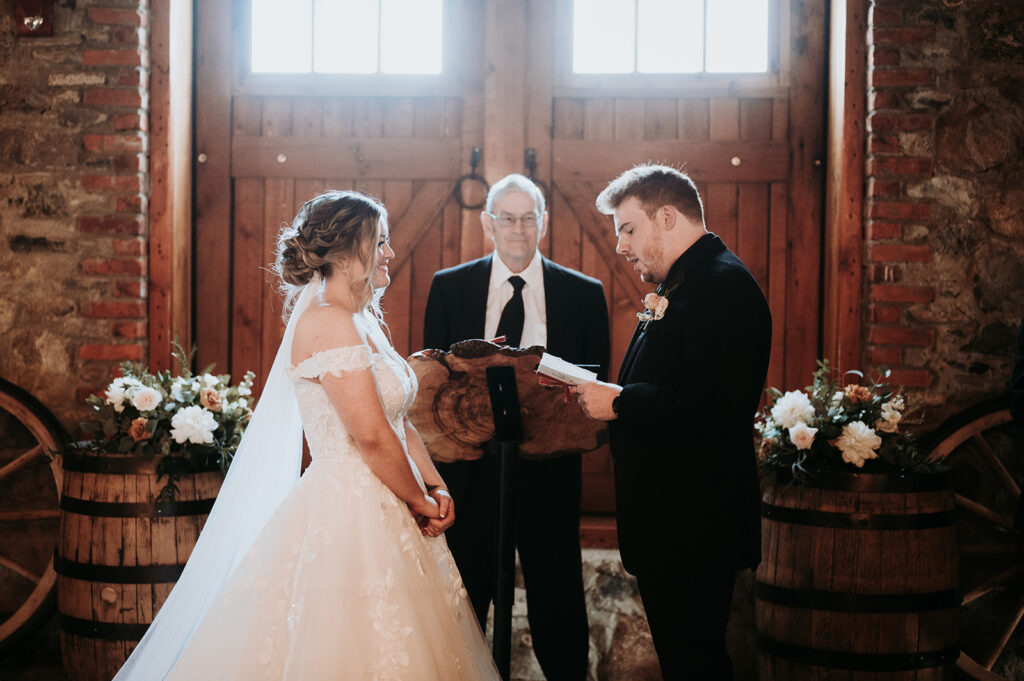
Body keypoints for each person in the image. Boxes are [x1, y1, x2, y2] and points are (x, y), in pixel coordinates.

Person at [114, 191, 500, 681]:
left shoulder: (361, 317)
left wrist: (435, 485)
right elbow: (370, 437)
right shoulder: (327, 320)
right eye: (379, 242)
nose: (389, 253)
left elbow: (398, 420)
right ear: (343, 253)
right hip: (350, 510)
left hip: (392, 500)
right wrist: (422, 503)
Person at [573, 165, 772, 680]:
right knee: (686, 662)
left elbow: (717, 404)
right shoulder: (687, 282)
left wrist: (618, 404)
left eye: (628, 229)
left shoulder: (722, 285)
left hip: (695, 519)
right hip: (673, 520)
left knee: (697, 664)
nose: (621, 246)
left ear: (666, 217)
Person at [423, 174, 609, 681]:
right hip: (472, 473)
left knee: (558, 595)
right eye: (507, 217)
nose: (518, 229)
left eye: (529, 217)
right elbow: (432, 387)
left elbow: (595, 391)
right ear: (488, 223)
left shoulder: (584, 294)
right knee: (467, 596)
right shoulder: (450, 287)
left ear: (543, 223)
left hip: (550, 472)